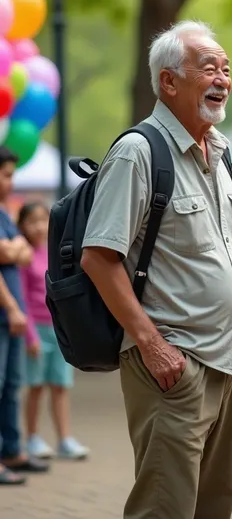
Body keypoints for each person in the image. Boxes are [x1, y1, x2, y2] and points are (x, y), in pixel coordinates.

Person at [81, 20, 232, 519]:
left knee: (213, 505)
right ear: (168, 82)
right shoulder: (139, 152)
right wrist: (151, 344)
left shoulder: (220, 153)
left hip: (224, 363)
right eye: (209, 68)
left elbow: (220, 251)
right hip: (172, 366)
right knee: (165, 507)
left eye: (226, 68)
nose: (222, 77)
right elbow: (99, 257)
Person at [18, 201, 89, 461]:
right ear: (22, 225)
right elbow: (22, 296)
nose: (38, 226)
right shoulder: (23, 254)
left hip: (58, 329)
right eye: (32, 221)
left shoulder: (56, 253)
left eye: (42, 220)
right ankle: (33, 438)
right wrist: (30, 335)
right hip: (35, 330)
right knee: (35, 386)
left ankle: (64, 439)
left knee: (60, 385)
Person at [0, 148, 49, 485]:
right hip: (8, 314)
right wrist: (14, 308)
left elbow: (20, 249)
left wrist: (11, 251)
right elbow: (9, 252)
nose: (10, 181)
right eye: (5, 174)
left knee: (11, 386)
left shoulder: (4, 212)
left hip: (13, 321)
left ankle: (12, 450)